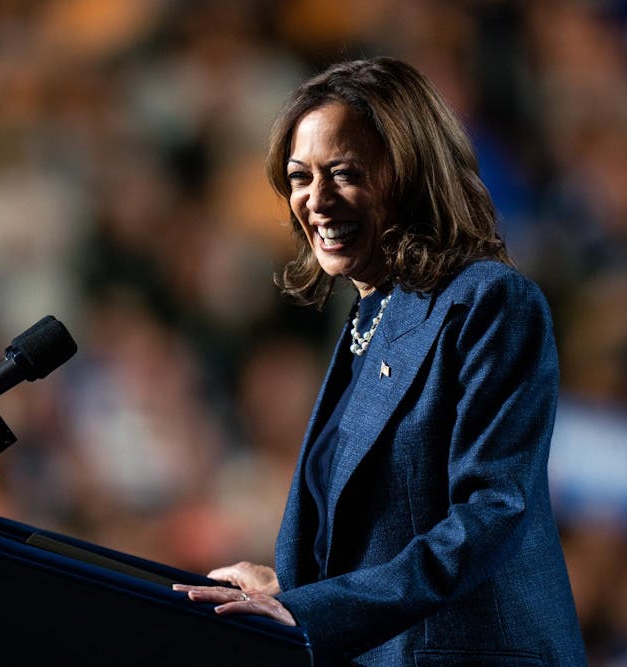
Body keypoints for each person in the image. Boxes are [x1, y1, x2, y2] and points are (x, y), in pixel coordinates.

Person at [173, 57, 587, 666]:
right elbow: (385, 528)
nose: (316, 200)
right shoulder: (369, 319)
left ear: (411, 174)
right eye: (299, 177)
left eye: (344, 173)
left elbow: (490, 510)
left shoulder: (489, 302)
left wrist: (316, 608)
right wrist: (298, 591)